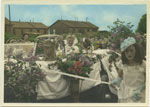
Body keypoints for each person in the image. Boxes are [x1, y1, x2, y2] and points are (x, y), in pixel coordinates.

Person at [111, 37, 146, 103]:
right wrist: (117, 80)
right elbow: (120, 76)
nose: (129, 53)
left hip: (139, 94)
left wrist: (140, 89)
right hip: (125, 93)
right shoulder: (123, 63)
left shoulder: (143, 64)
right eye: (126, 51)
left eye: (131, 50)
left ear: (136, 50)